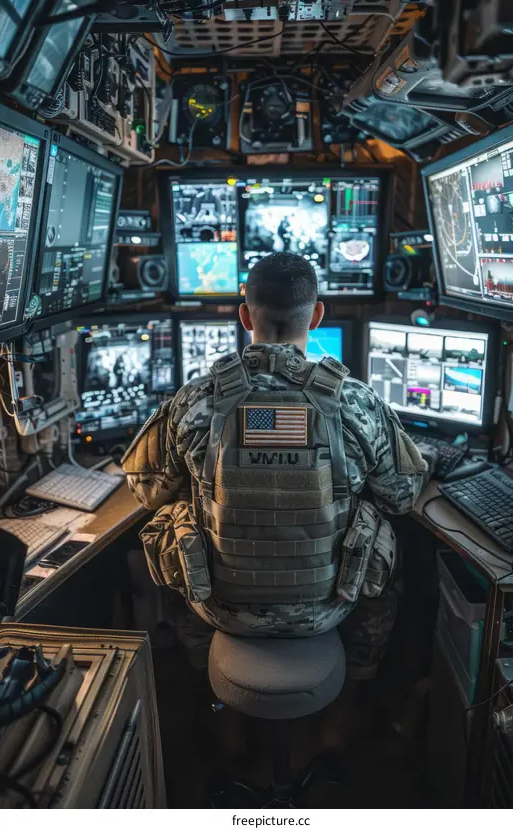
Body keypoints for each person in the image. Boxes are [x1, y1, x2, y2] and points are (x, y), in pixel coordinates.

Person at [122, 253, 434, 678]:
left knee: (176, 515)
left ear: (245, 316)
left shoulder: (195, 400)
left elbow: (147, 491)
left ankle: (209, 704)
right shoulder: (357, 402)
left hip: (220, 609)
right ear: (317, 315)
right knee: (381, 526)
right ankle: (356, 697)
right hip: (329, 610)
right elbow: (401, 497)